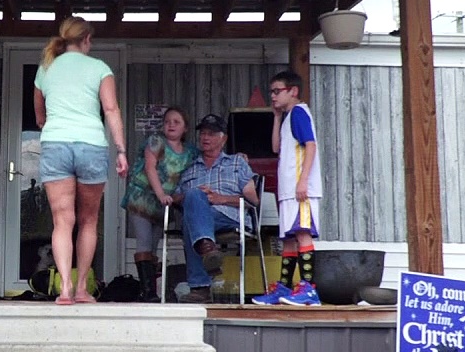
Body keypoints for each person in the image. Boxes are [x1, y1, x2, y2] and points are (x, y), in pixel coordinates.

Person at [33, 16, 129, 305]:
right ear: (87, 39)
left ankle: (64, 289)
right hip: (91, 145)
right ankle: (82, 289)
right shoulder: (100, 68)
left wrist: (54, 125)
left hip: (56, 144)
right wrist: (121, 150)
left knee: (62, 221)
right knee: (88, 220)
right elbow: (111, 110)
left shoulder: (46, 68)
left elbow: (39, 116)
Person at [253, 70, 324, 306]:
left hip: (299, 189)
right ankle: (283, 287)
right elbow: (276, 147)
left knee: (302, 232)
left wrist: (303, 180)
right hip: (288, 191)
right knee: (289, 239)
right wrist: (276, 117)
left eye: (277, 91)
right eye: (271, 92)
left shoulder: (299, 112)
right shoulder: (287, 117)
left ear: (293, 91)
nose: (273, 96)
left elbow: (310, 146)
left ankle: (309, 288)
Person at [171, 114, 259, 304]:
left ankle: (200, 288)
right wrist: (195, 197)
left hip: (230, 216)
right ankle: (208, 248)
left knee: (191, 221)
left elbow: (253, 200)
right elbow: (175, 198)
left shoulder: (237, 163)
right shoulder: (190, 168)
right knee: (193, 202)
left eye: (211, 134)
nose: (205, 138)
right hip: (199, 216)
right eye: (203, 133)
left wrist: (220, 198)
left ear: (223, 138)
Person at [120, 107, 198, 302]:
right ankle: (148, 292)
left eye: (176, 122)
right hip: (143, 198)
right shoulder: (156, 142)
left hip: (163, 204)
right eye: (167, 121)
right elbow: (150, 168)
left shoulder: (190, 152)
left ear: (185, 128)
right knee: (144, 241)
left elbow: (204, 160)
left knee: (154, 245)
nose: (171, 125)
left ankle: (148, 290)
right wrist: (161, 193)